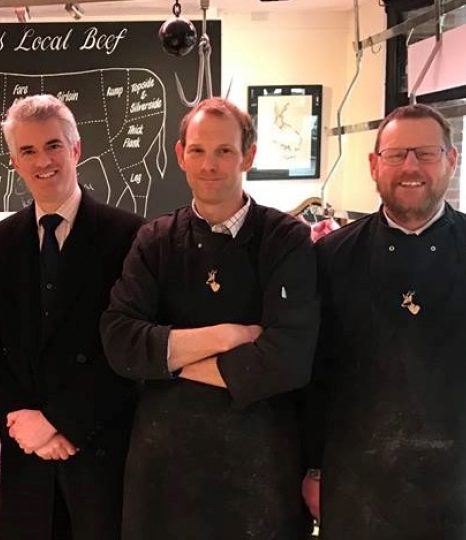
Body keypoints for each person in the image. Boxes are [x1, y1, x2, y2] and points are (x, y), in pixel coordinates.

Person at [100, 97, 319, 540]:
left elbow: (288, 359)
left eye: (224, 151)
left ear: (248, 156)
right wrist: (227, 336)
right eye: (198, 150)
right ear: (180, 155)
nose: (209, 164)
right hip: (164, 467)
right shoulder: (155, 239)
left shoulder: (286, 240)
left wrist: (168, 361)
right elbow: (120, 342)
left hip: (260, 466)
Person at [302, 103, 466, 540]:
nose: (411, 167)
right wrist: (314, 467)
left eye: (426, 153)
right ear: (374, 164)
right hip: (359, 483)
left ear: (451, 160)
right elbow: (316, 375)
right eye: (396, 154)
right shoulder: (329, 258)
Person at [0, 94, 144, 540]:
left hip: (98, 449)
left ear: (76, 149)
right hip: (27, 451)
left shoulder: (129, 235)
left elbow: (131, 350)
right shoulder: (0, 241)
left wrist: (62, 422)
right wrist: (20, 420)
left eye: (53, 146)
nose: (42, 161)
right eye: (27, 150)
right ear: (14, 162)